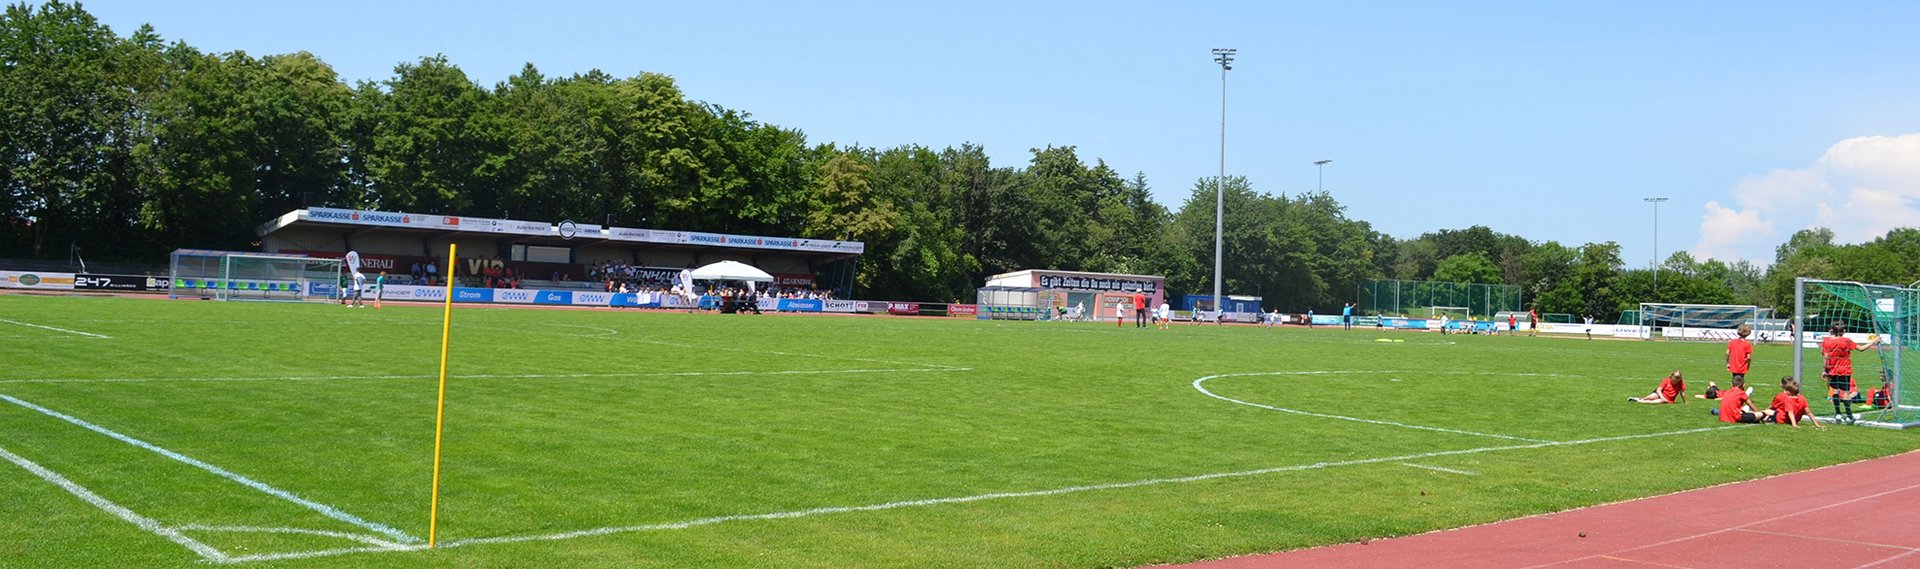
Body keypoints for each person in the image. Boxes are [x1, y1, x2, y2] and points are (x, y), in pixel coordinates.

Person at [1822, 323, 1878, 423]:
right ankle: (1849, 415)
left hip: (1832, 370)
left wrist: (1824, 370)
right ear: (1843, 331)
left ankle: (1838, 414)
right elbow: (1861, 349)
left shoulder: (1827, 341)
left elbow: (1825, 356)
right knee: (1846, 393)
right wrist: (1874, 341)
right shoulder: (1846, 341)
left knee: (1835, 391)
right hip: (1844, 370)